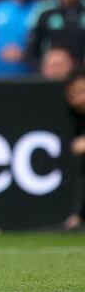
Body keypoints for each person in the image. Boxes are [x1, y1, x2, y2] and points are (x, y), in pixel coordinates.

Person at [62, 70, 85, 232]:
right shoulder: (75, 117)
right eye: (73, 94)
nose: (79, 98)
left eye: (82, 92)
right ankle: (77, 215)